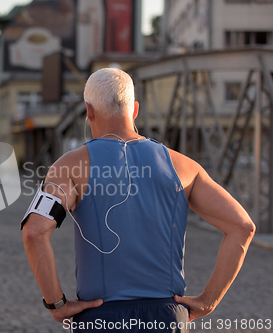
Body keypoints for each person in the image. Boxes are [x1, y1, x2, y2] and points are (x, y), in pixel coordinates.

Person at [21, 68, 256, 332]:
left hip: (101, 316)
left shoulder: (70, 167)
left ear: (89, 110)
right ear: (134, 110)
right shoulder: (184, 167)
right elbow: (242, 226)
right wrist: (208, 301)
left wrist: (57, 304)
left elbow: (34, 231)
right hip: (167, 317)